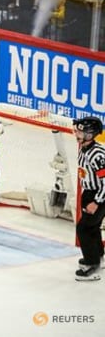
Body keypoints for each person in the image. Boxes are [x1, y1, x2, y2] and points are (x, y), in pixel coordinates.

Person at [72, 116, 105, 281]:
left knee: (83, 229)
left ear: (91, 134)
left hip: (98, 195)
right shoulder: (85, 147)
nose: (77, 133)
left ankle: (91, 265)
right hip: (90, 193)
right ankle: (98, 256)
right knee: (93, 227)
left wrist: (97, 201)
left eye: (81, 131)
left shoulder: (97, 154)